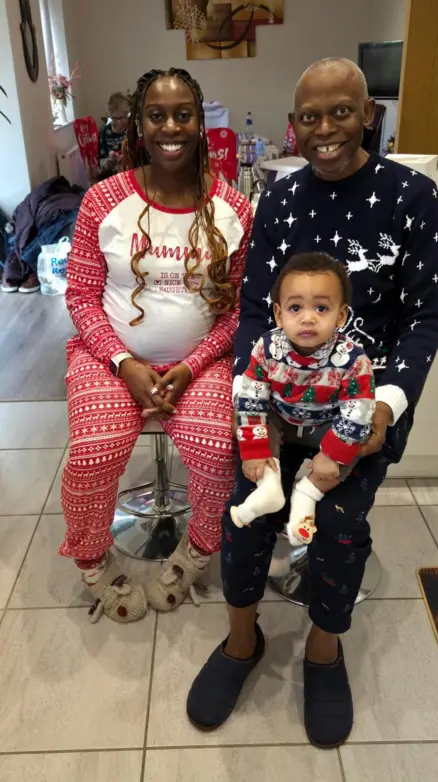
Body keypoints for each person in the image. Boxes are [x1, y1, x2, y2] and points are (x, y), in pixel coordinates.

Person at [187, 58, 438, 748]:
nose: (325, 129)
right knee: (245, 509)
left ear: (369, 116)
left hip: (364, 402)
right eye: (310, 116)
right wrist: (258, 408)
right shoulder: (282, 198)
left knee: (335, 521)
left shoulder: (411, 195)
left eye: (340, 112)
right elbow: (251, 310)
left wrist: (386, 407)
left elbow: (424, 318)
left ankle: (325, 652)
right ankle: (243, 642)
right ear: (293, 124)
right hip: (277, 396)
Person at [60, 67, 252, 623]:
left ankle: (196, 553)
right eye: (157, 114)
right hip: (110, 359)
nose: (171, 125)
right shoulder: (103, 200)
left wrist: (191, 367)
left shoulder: (234, 209)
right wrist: (124, 364)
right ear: (138, 125)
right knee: (93, 453)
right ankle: (94, 566)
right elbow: (80, 296)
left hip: (203, 362)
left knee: (221, 450)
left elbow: (239, 307)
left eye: (183, 113)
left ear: (201, 123)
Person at [231, 252, 375, 549]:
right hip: (281, 417)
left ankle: (307, 494)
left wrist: (332, 454)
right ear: (279, 314)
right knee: (256, 424)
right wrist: (255, 450)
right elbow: (251, 399)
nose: (308, 318)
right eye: (295, 307)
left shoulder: (353, 359)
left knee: (356, 443)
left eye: (322, 308)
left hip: (327, 423)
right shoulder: (267, 348)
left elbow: (357, 412)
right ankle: (270, 487)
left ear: (342, 316)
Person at [98, 92, 130, 176]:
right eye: (115, 118)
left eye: (122, 117)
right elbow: (101, 162)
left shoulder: (132, 128)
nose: (119, 122)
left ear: (127, 114)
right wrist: (110, 161)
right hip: (113, 176)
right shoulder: (105, 132)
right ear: (110, 115)